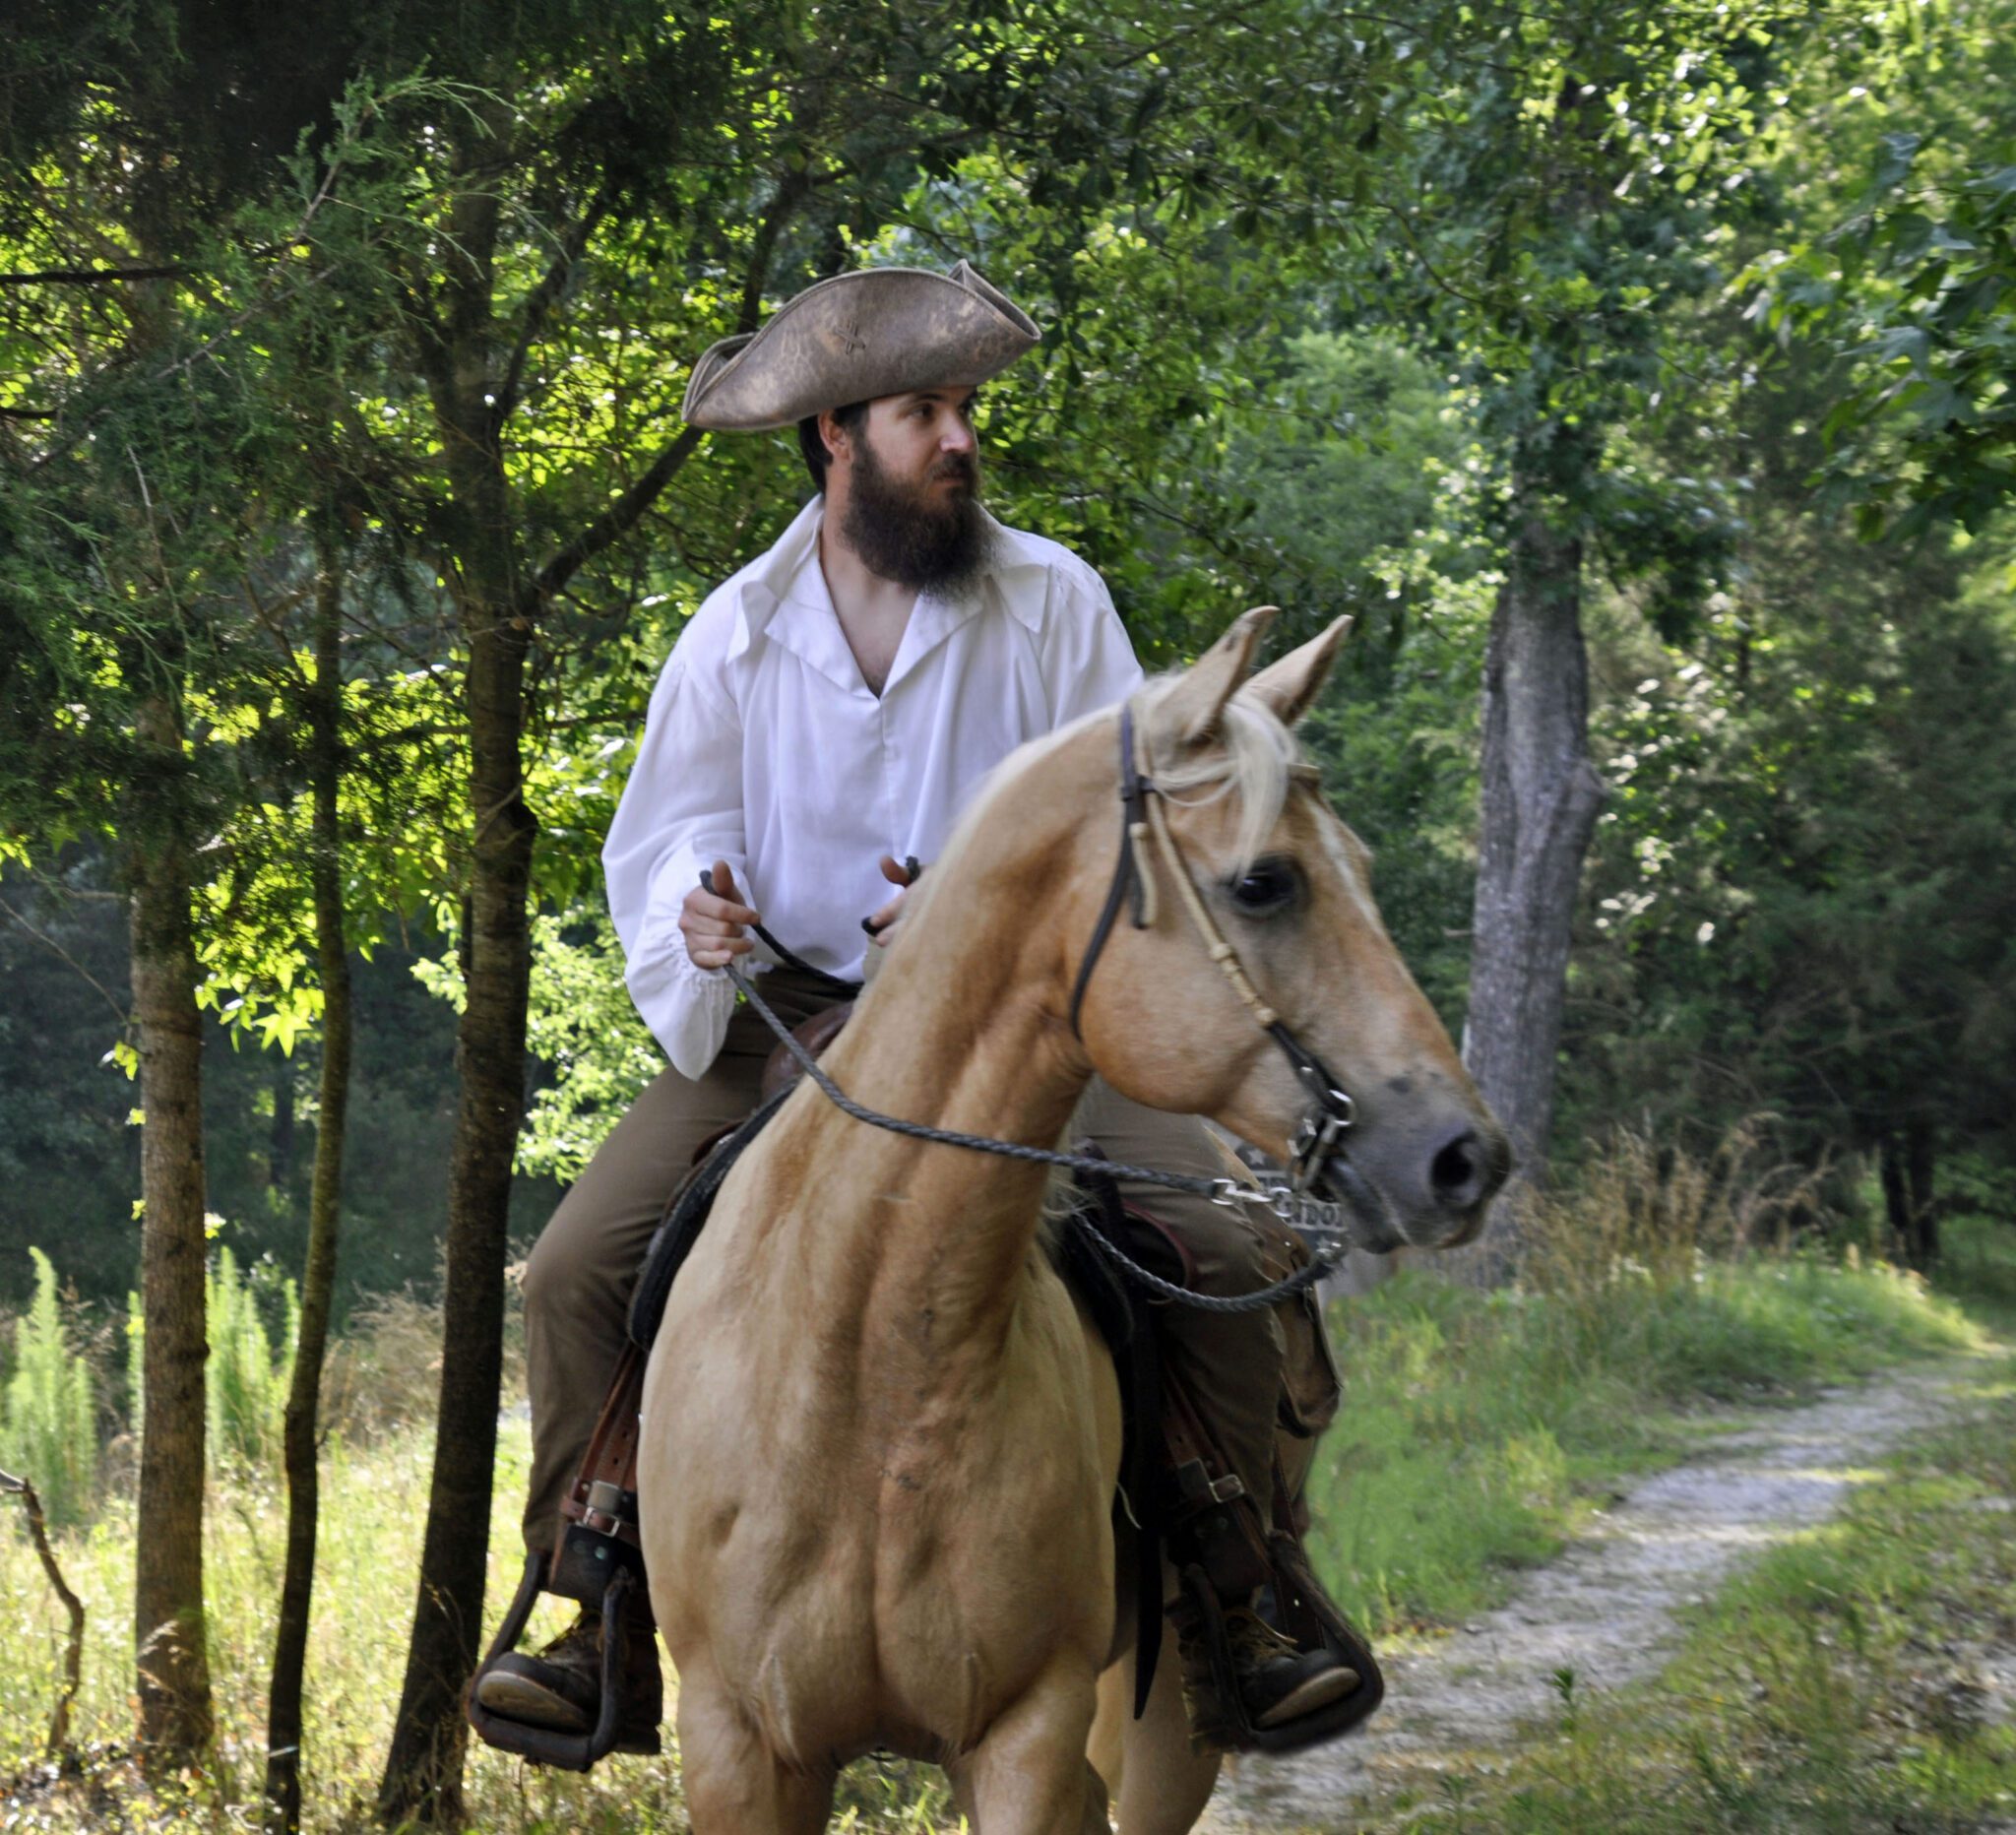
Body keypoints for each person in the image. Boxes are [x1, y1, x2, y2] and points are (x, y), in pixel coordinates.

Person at [472, 262, 1355, 1751]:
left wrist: (974, 911)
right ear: (835, 439)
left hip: (1036, 1026)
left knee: (1221, 1241)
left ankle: (1240, 1587)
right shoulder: (736, 631)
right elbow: (667, 833)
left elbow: (1130, 824)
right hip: (785, 1027)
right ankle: (598, 1599)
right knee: (571, 1269)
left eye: (963, 410)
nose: (959, 438)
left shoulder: (1053, 601)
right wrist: (699, 905)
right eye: (923, 412)